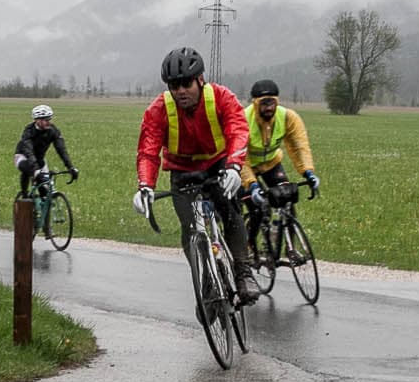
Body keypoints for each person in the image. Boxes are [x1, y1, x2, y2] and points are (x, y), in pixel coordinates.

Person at [132, 46, 258, 305]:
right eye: (174, 86)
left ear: (200, 80)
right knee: (190, 228)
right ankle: (206, 284)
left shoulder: (221, 97)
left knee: (231, 211)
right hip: (182, 171)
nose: (180, 91)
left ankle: (243, 273)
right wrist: (145, 186)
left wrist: (234, 167)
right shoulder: (159, 109)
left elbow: (238, 129)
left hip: (217, 164)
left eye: (186, 84)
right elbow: (148, 150)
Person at [240, 78, 320, 260]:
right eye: (264, 103)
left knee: (287, 198)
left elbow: (299, 146)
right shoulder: (243, 120)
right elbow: (240, 157)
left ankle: (290, 249)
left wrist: (308, 172)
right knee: (258, 208)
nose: (269, 108)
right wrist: (251, 184)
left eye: (272, 102)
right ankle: (249, 245)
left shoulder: (288, 117)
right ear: (255, 103)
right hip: (246, 166)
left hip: (271, 163)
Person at [14, 103, 78, 197]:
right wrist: (36, 170)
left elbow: (61, 149)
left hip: (40, 158)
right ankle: (24, 196)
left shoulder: (53, 130)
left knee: (45, 189)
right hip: (23, 156)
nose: (48, 122)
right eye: (46, 120)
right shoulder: (29, 131)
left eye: (49, 119)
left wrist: (70, 167)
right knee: (30, 171)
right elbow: (28, 151)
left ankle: (43, 202)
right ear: (37, 120)